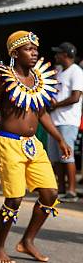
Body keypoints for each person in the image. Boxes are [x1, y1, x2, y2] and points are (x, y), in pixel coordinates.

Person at [0, 31, 71, 263]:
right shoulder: (1, 80)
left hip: (34, 145)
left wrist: (59, 138)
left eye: (35, 50)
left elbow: (41, 113)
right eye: (28, 49)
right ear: (14, 52)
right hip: (8, 142)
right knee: (15, 198)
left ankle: (27, 241)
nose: (34, 54)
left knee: (50, 194)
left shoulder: (39, 80)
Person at [48, 42, 83, 203]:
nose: (56, 56)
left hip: (68, 121)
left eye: (59, 53)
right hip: (54, 120)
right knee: (56, 158)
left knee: (67, 157)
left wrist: (56, 105)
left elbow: (75, 97)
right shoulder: (59, 71)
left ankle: (71, 191)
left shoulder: (76, 72)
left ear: (67, 55)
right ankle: (60, 188)